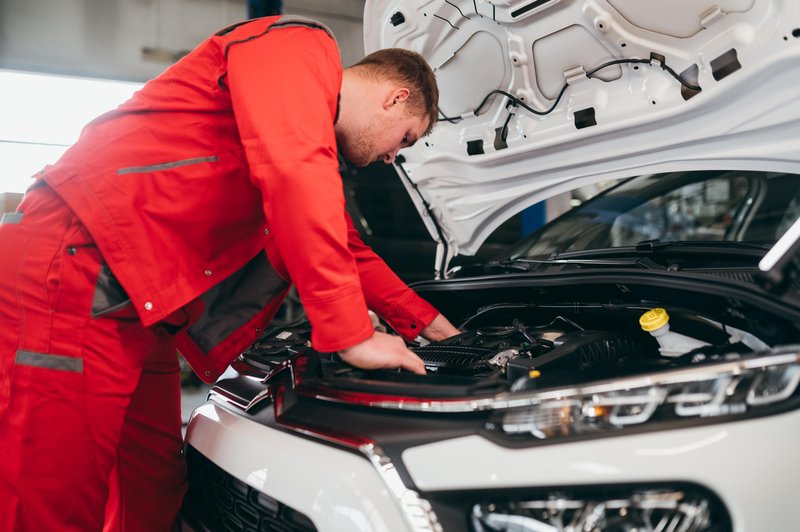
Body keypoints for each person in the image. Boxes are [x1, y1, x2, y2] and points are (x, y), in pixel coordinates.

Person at [0, 14, 460, 531]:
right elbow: (293, 172)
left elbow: (345, 246)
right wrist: (351, 334)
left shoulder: (302, 137)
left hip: (146, 307)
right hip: (76, 269)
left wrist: (435, 330)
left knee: (153, 488)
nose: (392, 155)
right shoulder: (299, 46)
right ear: (395, 97)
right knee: (53, 498)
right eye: (407, 138)